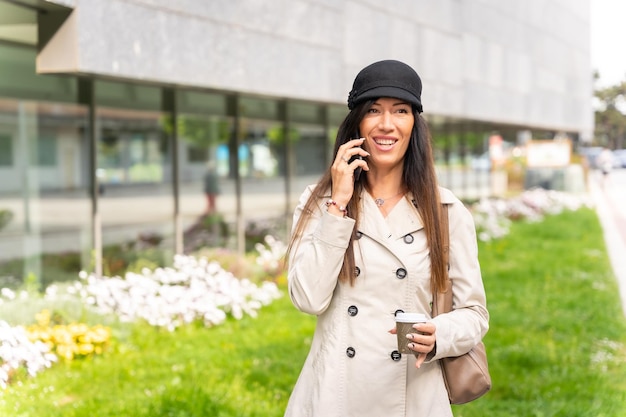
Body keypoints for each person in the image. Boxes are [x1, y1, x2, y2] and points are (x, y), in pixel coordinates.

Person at [284, 60, 489, 417]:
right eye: (374, 110)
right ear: (357, 124)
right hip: (335, 393)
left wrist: (439, 332)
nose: (387, 124)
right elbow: (307, 298)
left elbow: (474, 313)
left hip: (414, 394)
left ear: (414, 124)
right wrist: (339, 204)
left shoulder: (446, 211)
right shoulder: (319, 203)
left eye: (401, 110)